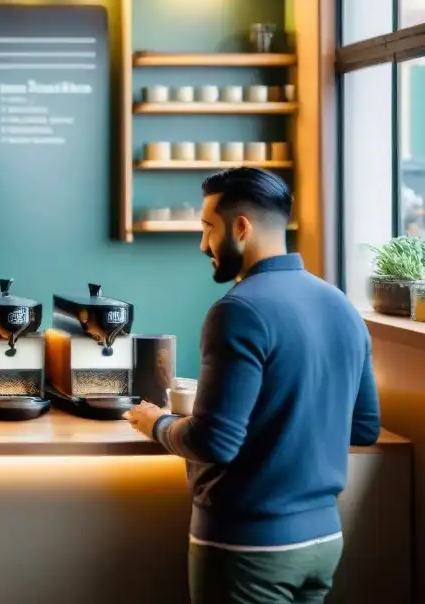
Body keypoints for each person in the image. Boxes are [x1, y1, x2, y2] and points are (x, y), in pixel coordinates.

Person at [125, 167, 380, 604]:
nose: (203, 244)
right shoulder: (340, 304)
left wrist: (157, 422)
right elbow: (363, 427)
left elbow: (214, 442)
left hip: (249, 546)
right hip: (322, 541)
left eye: (208, 228)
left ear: (240, 227)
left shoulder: (238, 310)